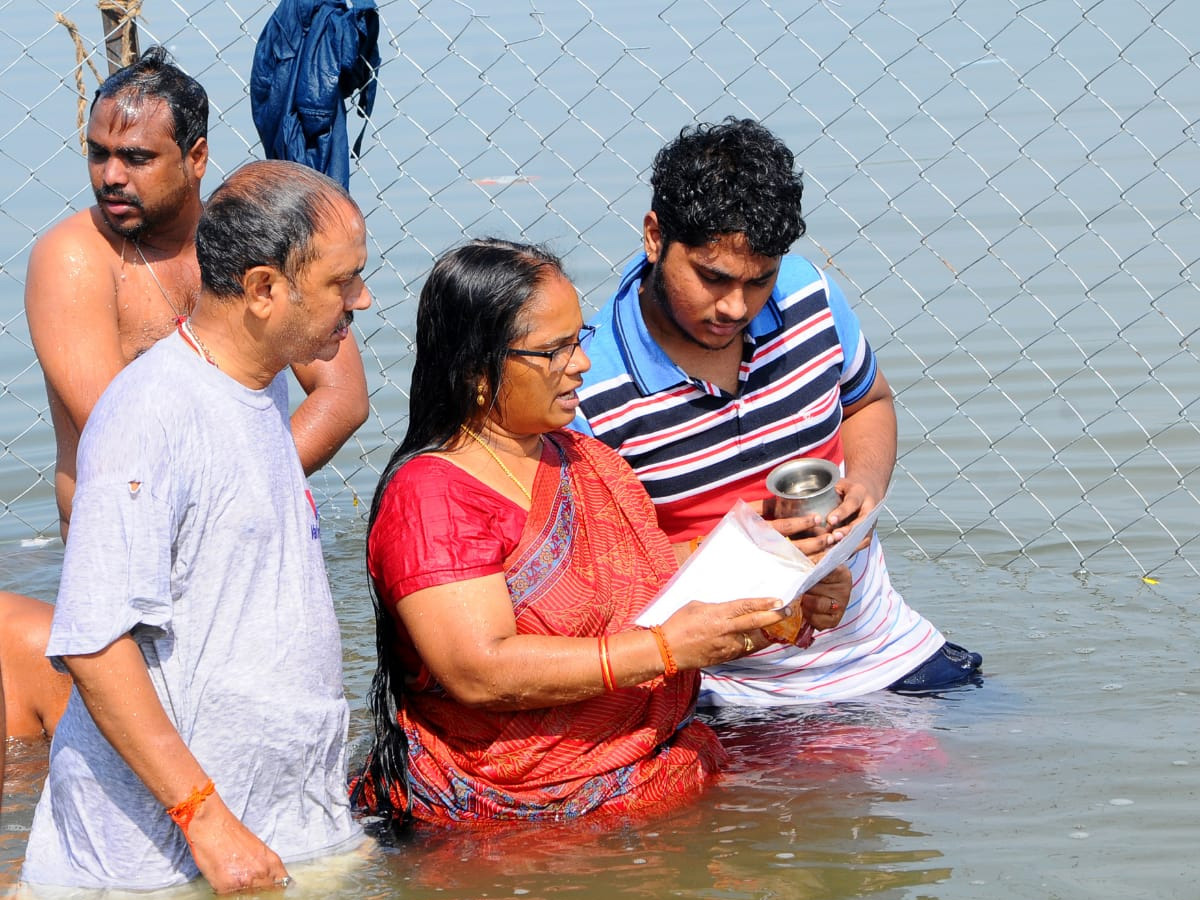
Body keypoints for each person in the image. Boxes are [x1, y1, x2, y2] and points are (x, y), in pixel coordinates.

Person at [352, 239, 844, 824]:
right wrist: (664, 651)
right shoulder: (433, 497)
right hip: (506, 819)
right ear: (478, 369)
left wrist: (784, 585)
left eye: (578, 339)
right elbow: (479, 670)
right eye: (553, 351)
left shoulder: (585, 459)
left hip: (657, 765)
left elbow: (653, 584)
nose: (581, 364)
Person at [20, 160, 370, 892]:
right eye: (343, 281)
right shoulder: (151, 416)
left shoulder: (258, 381)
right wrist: (207, 822)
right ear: (264, 289)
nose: (362, 300)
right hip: (162, 862)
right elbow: (95, 642)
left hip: (274, 830)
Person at [576, 118, 983, 706]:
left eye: (759, 280)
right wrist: (757, 561)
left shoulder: (808, 295)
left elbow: (868, 402)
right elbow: (598, 577)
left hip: (879, 644)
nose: (735, 307)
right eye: (712, 278)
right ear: (654, 237)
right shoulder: (586, 385)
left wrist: (862, 491)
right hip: (719, 685)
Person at [26, 45, 369, 540]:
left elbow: (342, 395)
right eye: (98, 153)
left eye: (137, 157)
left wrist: (245, 498)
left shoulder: (252, 239)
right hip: (130, 543)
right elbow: (120, 434)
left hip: (242, 525)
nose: (111, 176)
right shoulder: (74, 255)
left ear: (197, 157)